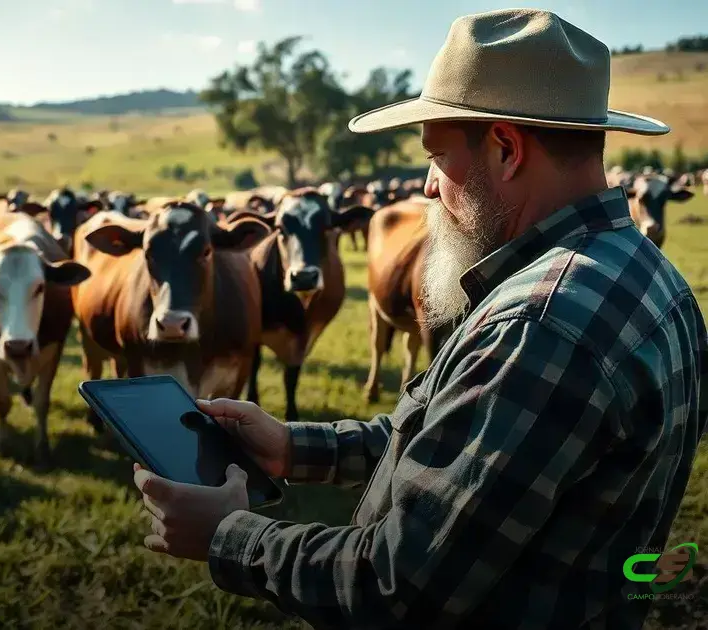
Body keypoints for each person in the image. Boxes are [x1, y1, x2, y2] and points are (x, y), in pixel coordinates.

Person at [131, 8, 707, 629]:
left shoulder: (538, 325)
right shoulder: (651, 277)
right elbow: (463, 444)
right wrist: (293, 448)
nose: (429, 188)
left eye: (437, 156)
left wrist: (227, 536)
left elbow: (394, 586)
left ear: (507, 150)